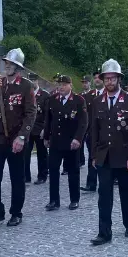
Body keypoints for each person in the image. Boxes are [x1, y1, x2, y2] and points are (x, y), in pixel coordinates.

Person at [89, 59, 128, 245]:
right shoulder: (97, 101)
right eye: (106, 78)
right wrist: (94, 155)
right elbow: (94, 129)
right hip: (104, 155)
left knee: (126, 191)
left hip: (125, 154)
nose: (109, 82)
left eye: (113, 78)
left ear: (119, 79)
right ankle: (104, 232)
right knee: (104, 195)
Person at [0, 48, 36, 227]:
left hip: (16, 138)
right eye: (6, 63)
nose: (7, 66)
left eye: (11, 64)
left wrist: (22, 137)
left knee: (17, 177)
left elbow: (30, 113)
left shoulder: (26, 85)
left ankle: (16, 212)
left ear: (18, 67)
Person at [43, 75, 88, 211]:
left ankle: (74, 199)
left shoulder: (79, 100)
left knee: (73, 171)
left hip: (71, 142)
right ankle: (54, 200)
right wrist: (46, 137)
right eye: (59, 84)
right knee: (54, 171)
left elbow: (83, 122)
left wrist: (78, 138)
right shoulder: (52, 99)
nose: (61, 87)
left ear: (70, 85)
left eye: (64, 85)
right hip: (56, 142)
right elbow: (48, 120)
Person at [23, 73, 49, 185]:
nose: (32, 82)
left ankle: (42, 175)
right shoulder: (26, 94)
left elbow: (48, 114)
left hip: (40, 128)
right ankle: (26, 176)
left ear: (37, 81)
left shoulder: (44, 95)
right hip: (28, 129)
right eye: (30, 80)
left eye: (33, 80)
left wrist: (45, 129)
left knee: (42, 153)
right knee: (25, 154)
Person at [81, 71, 104, 193]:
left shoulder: (109, 94)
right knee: (92, 157)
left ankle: (107, 182)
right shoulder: (89, 95)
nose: (97, 79)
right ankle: (91, 183)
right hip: (92, 132)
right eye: (95, 78)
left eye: (99, 77)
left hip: (107, 133)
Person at [78, 75, 93, 167]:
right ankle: (80, 160)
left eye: (86, 82)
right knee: (80, 142)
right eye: (83, 82)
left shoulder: (94, 94)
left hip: (91, 123)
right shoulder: (80, 95)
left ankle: (91, 162)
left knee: (90, 145)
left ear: (90, 83)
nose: (84, 84)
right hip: (82, 122)